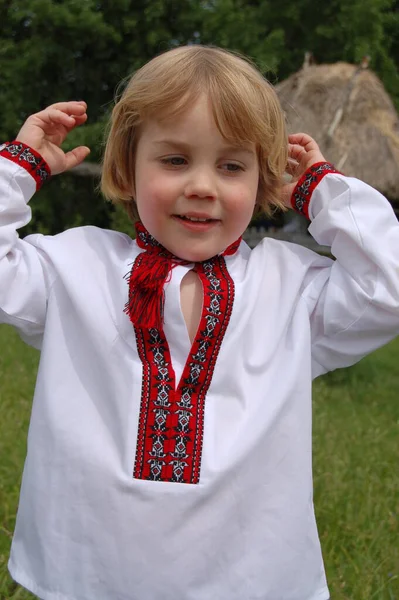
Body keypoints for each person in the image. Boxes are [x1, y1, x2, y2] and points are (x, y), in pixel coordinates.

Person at [1, 45, 398, 600]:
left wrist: (323, 193)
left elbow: (389, 288)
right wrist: (18, 167)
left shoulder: (289, 286)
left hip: (249, 577)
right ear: (126, 164)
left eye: (232, 166)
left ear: (264, 178)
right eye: (175, 160)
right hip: (89, 569)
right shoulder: (73, 268)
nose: (203, 186)